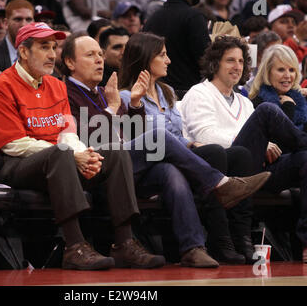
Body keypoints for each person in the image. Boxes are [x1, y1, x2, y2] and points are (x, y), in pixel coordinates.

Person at [61, 33, 271, 266]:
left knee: (171, 172)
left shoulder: (103, 92)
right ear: (70, 62)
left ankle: (192, 247)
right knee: (163, 137)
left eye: (101, 54)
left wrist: (135, 105)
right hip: (95, 169)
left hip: (127, 166)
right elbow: (89, 139)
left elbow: (130, 135)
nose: (100, 60)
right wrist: (113, 109)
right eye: (91, 55)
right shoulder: (66, 93)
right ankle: (220, 185)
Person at [0, 22, 166, 270]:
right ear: (24, 52)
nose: (51, 54)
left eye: (54, 47)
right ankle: (74, 246)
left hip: (59, 160)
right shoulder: (0, 87)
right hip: (13, 166)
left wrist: (81, 153)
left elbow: (67, 131)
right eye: (44, 47)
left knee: (115, 152)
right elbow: (14, 144)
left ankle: (124, 243)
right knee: (61, 153)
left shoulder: (56, 85)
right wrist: (71, 154)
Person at [179, 35, 307, 263]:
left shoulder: (244, 101)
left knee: (305, 158)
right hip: (223, 168)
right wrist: (259, 141)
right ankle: (242, 239)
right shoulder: (199, 93)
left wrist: (260, 142)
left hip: (257, 171)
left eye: (240, 61)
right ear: (215, 63)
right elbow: (206, 137)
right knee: (267, 111)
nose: (237, 66)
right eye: (230, 60)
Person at [143, 0, 211, 99]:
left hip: (156, 96)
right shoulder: (194, 17)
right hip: (187, 98)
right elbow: (209, 61)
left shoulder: (152, 19)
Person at [250, 44, 307, 133]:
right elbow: (281, 138)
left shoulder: (301, 101)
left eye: (292, 70)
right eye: (281, 70)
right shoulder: (257, 105)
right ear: (267, 72)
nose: (288, 76)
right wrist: (288, 107)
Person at [0, 0, 34, 71]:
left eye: (28, 19)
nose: (24, 24)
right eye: (18, 19)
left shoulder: (40, 53)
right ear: (6, 23)